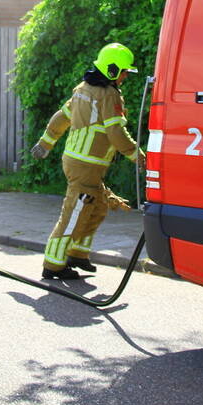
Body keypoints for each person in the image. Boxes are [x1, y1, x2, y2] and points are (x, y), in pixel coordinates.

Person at [30, 43, 145, 280]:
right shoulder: (109, 94)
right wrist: (137, 155)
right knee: (75, 213)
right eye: (124, 71)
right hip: (86, 164)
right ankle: (53, 264)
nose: (125, 76)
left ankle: (77, 255)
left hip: (80, 162)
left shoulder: (83, 89)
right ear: (112, 70)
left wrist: (45, 143)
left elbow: (62, 117)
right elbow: (115, 132)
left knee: (98, 206)